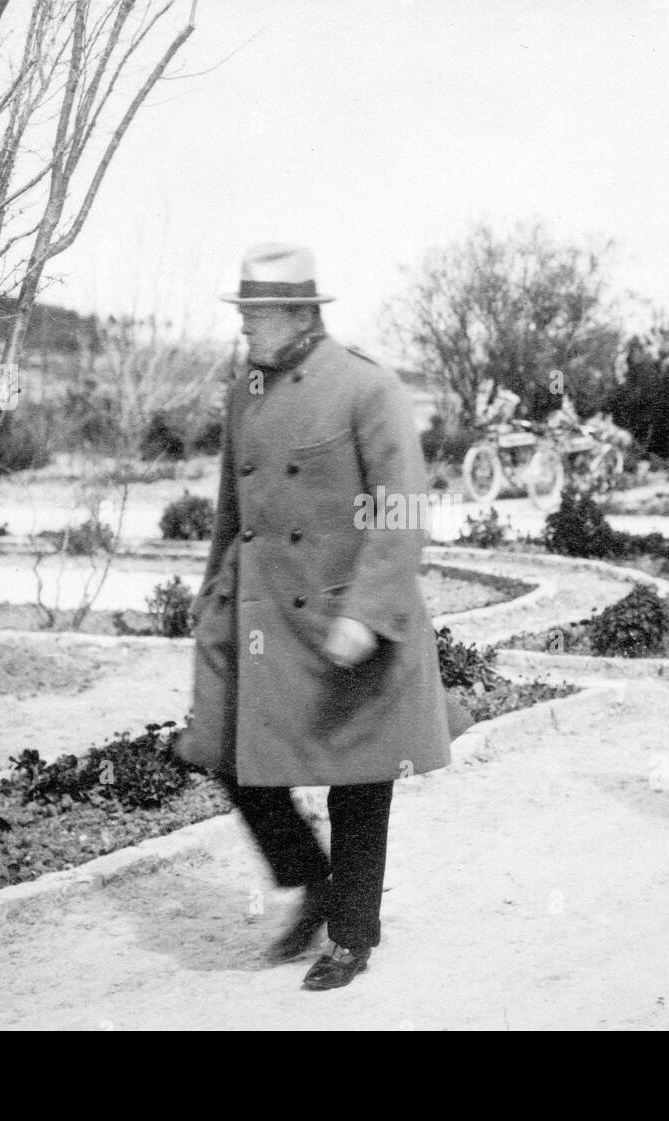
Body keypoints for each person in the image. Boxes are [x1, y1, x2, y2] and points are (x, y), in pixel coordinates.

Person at [175, 244, 461, 990]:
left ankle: (351, 932)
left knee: (360, 776)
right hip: (263, 612)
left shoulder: (368, 388)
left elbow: (401, 512)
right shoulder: (245, 390)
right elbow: (231, 512)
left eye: (255, 315)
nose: (243, 329)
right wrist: (211, 593)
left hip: (348, 611)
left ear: (300, 314)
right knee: (226, 751)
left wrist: (366, 613)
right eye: (240, 314)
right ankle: (311, 878)